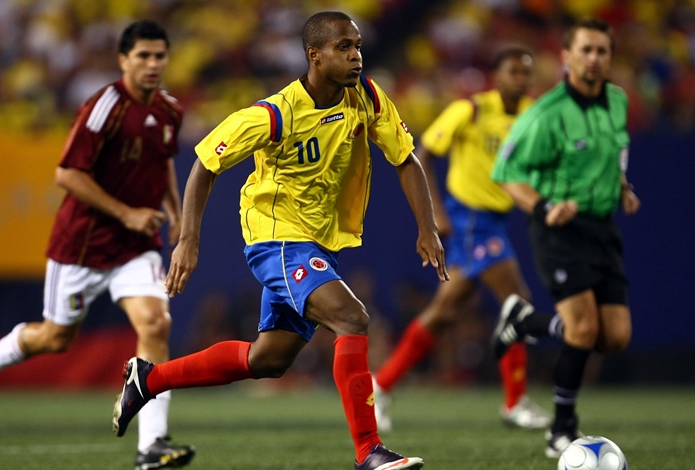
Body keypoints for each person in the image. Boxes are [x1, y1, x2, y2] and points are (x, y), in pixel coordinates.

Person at [111, 11, 449, 470]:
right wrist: (188, 240)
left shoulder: (367, 97)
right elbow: (205, 164)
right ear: (315, 56)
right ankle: (369, 451)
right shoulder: (275, 113)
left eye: (357, 46)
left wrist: (427, 227)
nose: (356, 56)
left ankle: (148, 380)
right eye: (344, 47)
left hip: (318, 243)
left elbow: (406, 159)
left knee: (268, 359)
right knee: (351, 318)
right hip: (277, 241)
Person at [0, 20, 196, 470]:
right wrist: (126, 212)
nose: (152, 64)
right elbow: (67, 174)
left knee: (155, 323)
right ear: (123, 60)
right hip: (83, 247)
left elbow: (163, 161)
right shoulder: (103, 107)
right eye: (143, 56)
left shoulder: (169, 110)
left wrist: (177, 215)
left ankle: (152, 445)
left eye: (160, 55)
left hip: (136, 247)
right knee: (55, 337)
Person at [372, 47, 551, 433]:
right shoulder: (469, 110)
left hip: (495, 220)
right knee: (517, 301)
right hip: (470, 219)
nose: (521, 79)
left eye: (526, 72)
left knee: (445, 311)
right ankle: (515, 402)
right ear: (496, 76)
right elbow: (423, 154)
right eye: (513, 71)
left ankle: (380, 386)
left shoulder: (531, 115)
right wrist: (435, 212)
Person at [490, 18, 640, 458]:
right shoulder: (546, 114)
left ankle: (525, 321)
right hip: (557, 229)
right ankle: (562, 428)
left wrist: (622, 186)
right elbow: (506, 172)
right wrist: (543, 207)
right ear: (566, 56)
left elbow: (615, 152)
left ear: (610, 57)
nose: (594, 58)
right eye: (585, 50)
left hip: (601, 227)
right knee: (583, 327)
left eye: (602, 51)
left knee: (615, 337)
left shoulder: (617, 100)